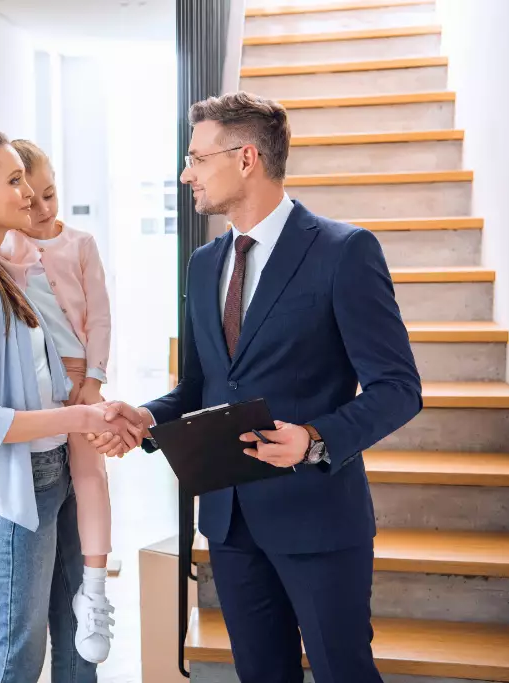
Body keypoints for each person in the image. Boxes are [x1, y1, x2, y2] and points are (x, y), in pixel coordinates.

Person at [113, 92, 423, 682]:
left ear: (246, 157)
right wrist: (147, 419)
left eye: (197, 158)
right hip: (229, 520)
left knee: (344, 673)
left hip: (317, 516)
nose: (187, 174)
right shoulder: (204, 263)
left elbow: (398, 387)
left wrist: (314, 438)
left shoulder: (344, 251)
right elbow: (203, 385)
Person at [0, 127, 140, 683]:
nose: (30, 195)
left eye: (34, 182)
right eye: (13, 181)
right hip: (22, 479)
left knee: (75, 648)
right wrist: (83, 417)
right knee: (18, 656)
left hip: (52, 462)